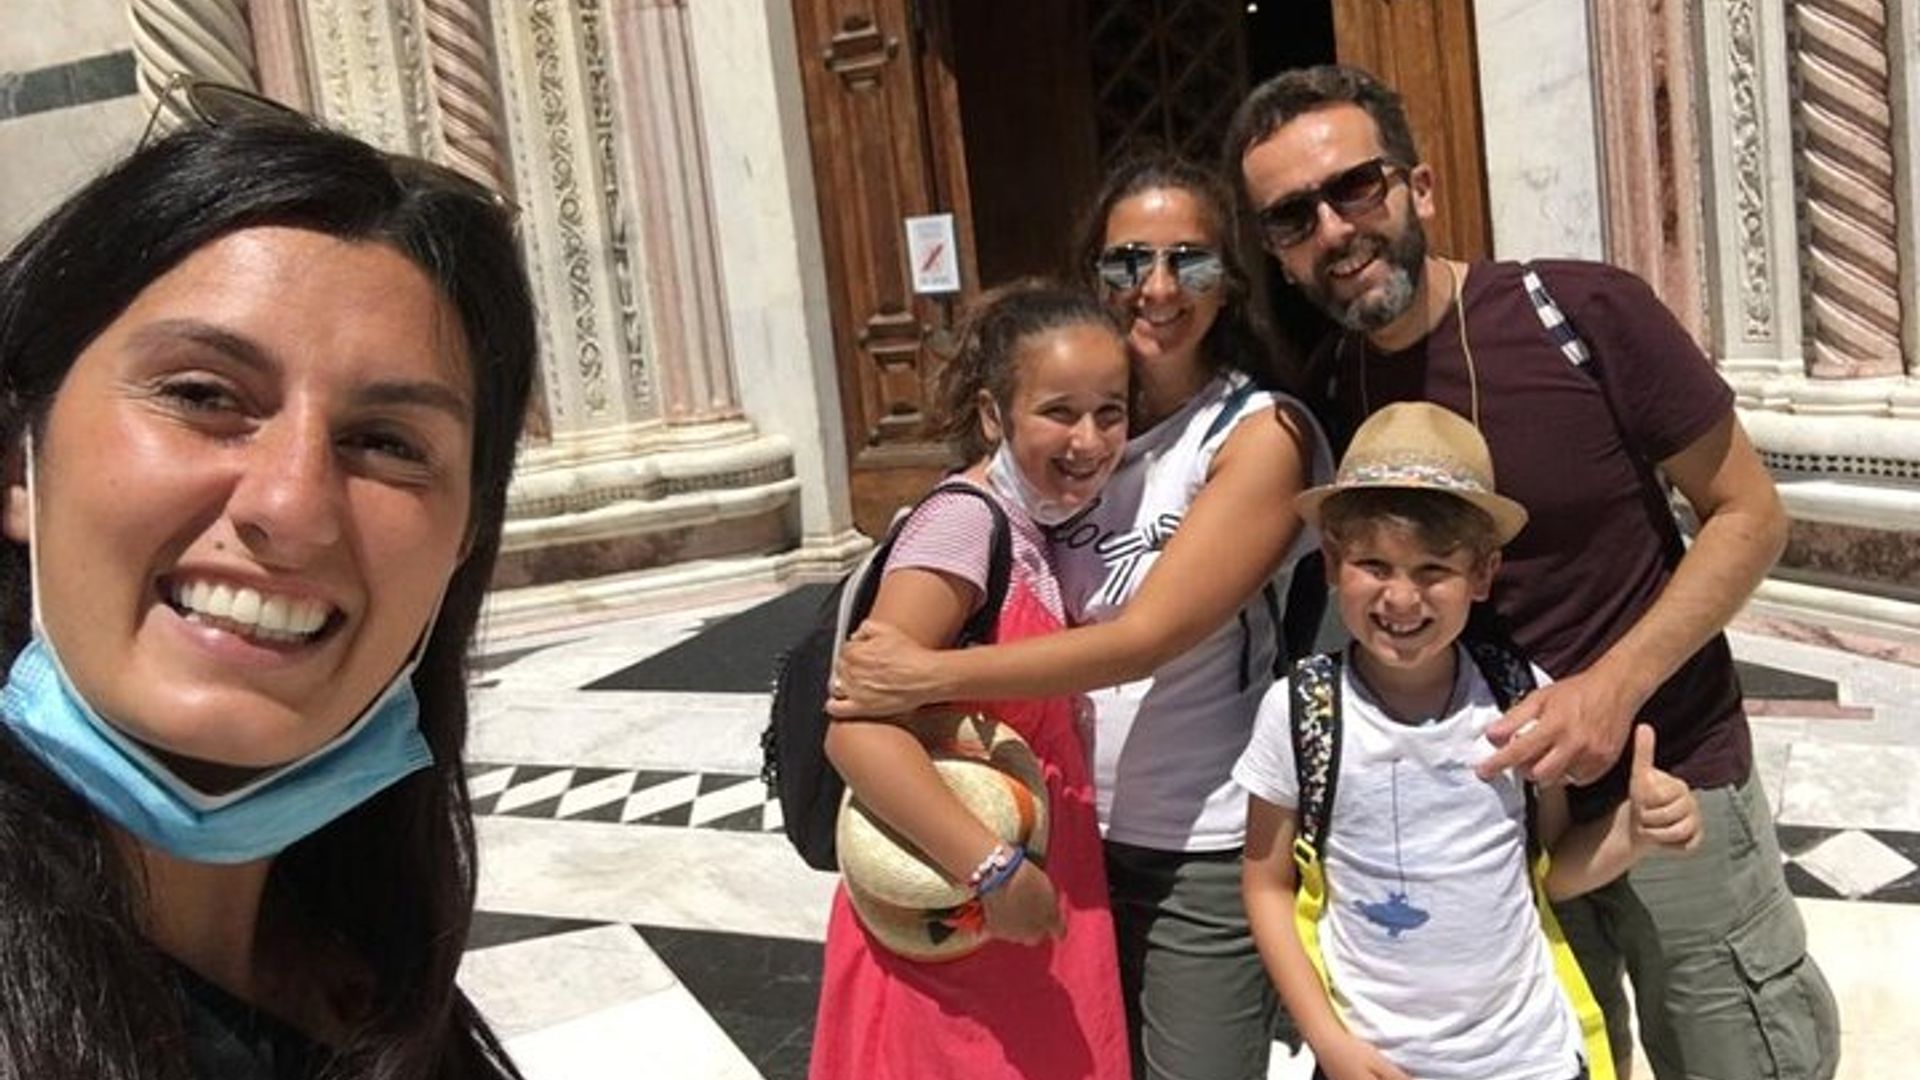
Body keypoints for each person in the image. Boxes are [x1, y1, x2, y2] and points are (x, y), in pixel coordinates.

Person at [1226, 63, 1839, 1079]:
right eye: (1294, 218)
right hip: (1506, 840)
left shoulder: (1580, 313)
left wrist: (1613, 686)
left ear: (1418, 187)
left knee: (1739, 1051)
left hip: (1665, 777)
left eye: (1355, 187)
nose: (1334, 229)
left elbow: (1750, 515)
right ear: (1280, 256)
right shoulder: (1333, 390)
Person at [0, 99, 533, 1079]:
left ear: (464, 538)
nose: (293, 508)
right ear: (20, 467)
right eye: (204, 395)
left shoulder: (366, 977)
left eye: (387, 444)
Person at [830, 152, 1334, 1080]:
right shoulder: (1065, 444)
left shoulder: (1258, 434)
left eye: (1191, 260)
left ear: (1231, 282)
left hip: (1198, 839)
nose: (1157, 287)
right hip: (1053, 839)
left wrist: (932, 676)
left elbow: (1145, 638)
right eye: (1125, 262)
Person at [1235, 401, 1704, 1080]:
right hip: (1377, 1062)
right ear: (1334, 563)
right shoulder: (1302, 710)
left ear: (1481, 575)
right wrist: (1328, 1042)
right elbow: (1267, 886)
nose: (1401, 599)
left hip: (1526, 1058)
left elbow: (1547, 871)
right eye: (1374, 563)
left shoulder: (1518, 697)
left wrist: (1638, 829)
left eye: (1432, 571)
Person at [809, 280, 1133, 1080]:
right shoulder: (962, 525)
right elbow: (855, 729)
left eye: (1111, 412)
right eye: (1059, 411)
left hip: (1017, 909)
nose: (1088, 440)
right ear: (995, 415)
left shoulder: (1037, 527)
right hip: (959, 918)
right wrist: (992, 869)